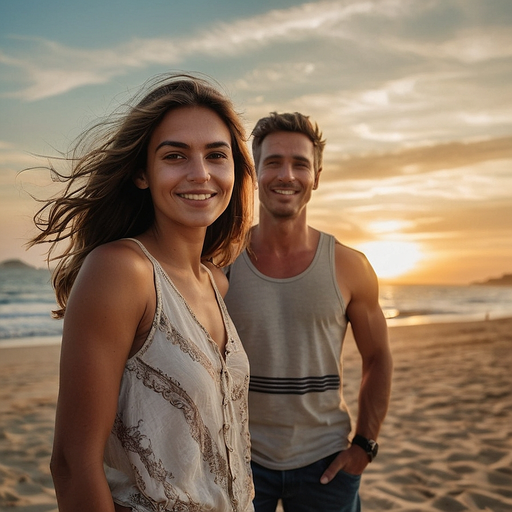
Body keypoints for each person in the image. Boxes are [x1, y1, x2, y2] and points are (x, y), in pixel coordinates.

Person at [28, 74, 256, 512]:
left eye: (216, 155)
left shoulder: (214, 280)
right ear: (140, 173)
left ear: (234, 170)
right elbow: (73, 464)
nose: (200, 173)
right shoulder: (122, 271)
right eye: (175, 155)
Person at [223, 112, 393, 512]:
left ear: (317, 175)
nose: (287, 175)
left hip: (326, 461)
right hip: (239, 458)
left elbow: (378, 357)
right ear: (255, 173)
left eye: (300, 163)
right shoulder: (220, 262)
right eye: (273, 162)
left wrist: (365, 445)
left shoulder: (350, 266)